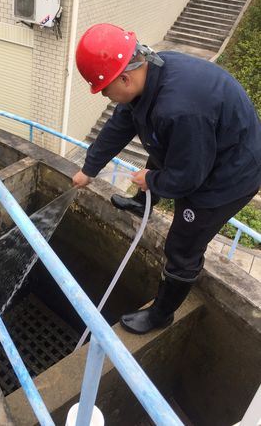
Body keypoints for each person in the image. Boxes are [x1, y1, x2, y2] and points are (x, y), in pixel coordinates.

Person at [72, 23, 261, 335]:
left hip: (228, 177)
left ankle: (161, 314)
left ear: (125, 77)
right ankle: (140, 202)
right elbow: (120, 125)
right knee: (158, 144)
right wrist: (89, 169)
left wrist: (155, 181)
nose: (106, 96)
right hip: (202, 147)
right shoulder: (151, 74)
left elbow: (188, 178)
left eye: (105, 89)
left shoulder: (179, 110)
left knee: (182, 246)